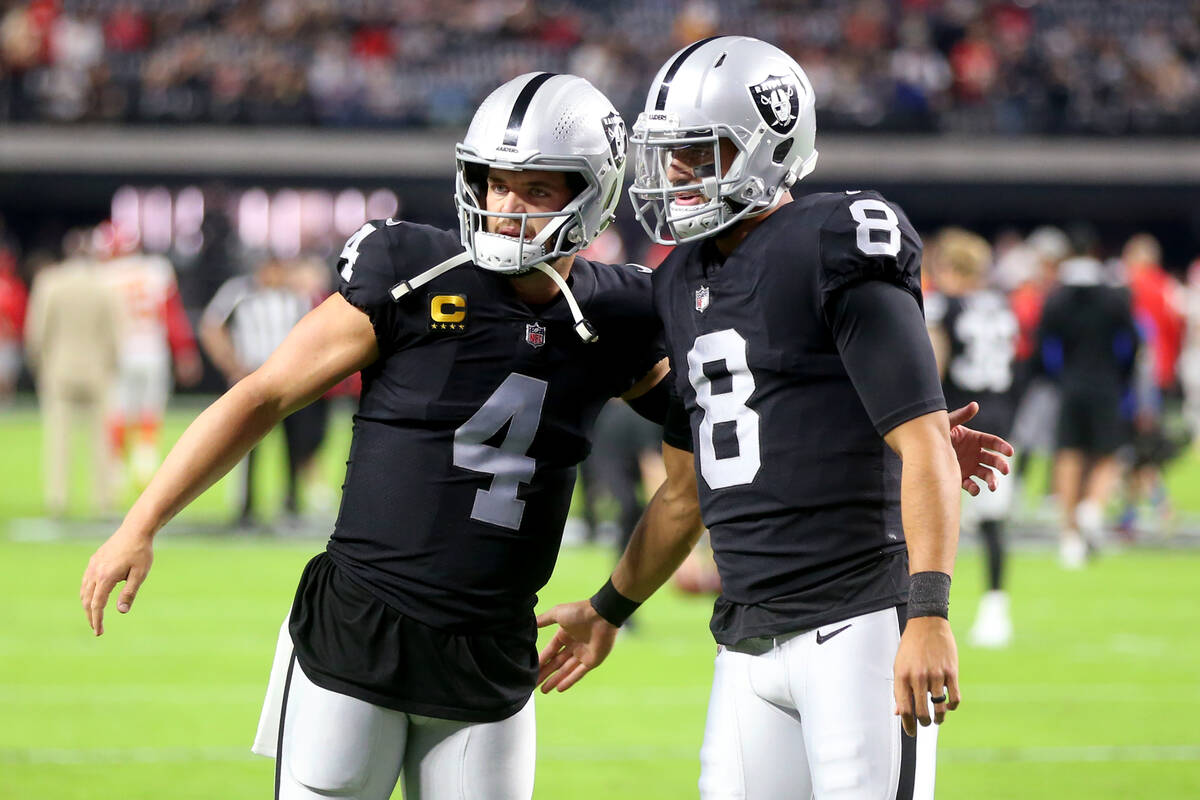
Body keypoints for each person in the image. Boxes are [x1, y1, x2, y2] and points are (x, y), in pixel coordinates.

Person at [80, 73, 671, 800]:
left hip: (492, 652)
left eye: (538, 190)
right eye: (495, 183)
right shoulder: (412, 273)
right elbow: (262, 396)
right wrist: (140, 523)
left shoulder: (620, 315)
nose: (506, 207)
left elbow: (701, 456)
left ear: (594, 196)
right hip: (360, 629)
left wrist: (616, 602)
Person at [537, 37, 1011, 800]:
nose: (679, 176)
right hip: (747, 635)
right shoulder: (679, 278)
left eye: (700, 153)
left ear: (771, 143)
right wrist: (609, 608)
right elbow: (686, 492)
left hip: (857, 620)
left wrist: (928, 613)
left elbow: (922, 445)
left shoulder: (836, 237)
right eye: (671, 156)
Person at [925, 228, 1018, 648]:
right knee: (994, 522)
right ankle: (996, 609)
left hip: (955, 425)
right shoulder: (1001, 305)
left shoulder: (944, 305)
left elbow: (933, 364)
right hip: (999, 423)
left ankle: (925, 609)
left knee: (927, 518)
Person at [1037, 229, 1139, 568]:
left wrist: (1059, 377)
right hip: (1106, 382)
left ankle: (1070, 537)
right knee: (1108, 452)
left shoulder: (1056, 297)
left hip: (1070, 383)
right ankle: (1092, 506)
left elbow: (1044, 345)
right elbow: (1132, 341)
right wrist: (1123, 377)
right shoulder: (1115, 295)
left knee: (1069, 453)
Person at [200, 257, 317, 525]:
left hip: (289, 380)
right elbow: (211, 327)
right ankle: (246, 507)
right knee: (245, 444)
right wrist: (230, 363)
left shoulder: (296, 297)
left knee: (293, 443)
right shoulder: (239, 292)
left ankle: (291, 503)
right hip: (251, 378)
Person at [98, 222, 202, 489]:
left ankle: (117, 471)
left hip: (120, 352)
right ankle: (145, 464)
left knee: (118, 411)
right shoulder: (156, 270)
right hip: (152, 350)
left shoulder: (104, 275)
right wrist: (184, 351)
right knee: (149, 410)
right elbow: (172, 315)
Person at [25, 246, 124, 516]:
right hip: (97, 369)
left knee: (58, 437)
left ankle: (58, 498)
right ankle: (103, 498)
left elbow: (37, 331)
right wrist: (111, 363)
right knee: (102, 439)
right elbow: (115, 333)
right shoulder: (104, 285)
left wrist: (40, 366)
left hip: (59, 367)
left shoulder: (50, 283)